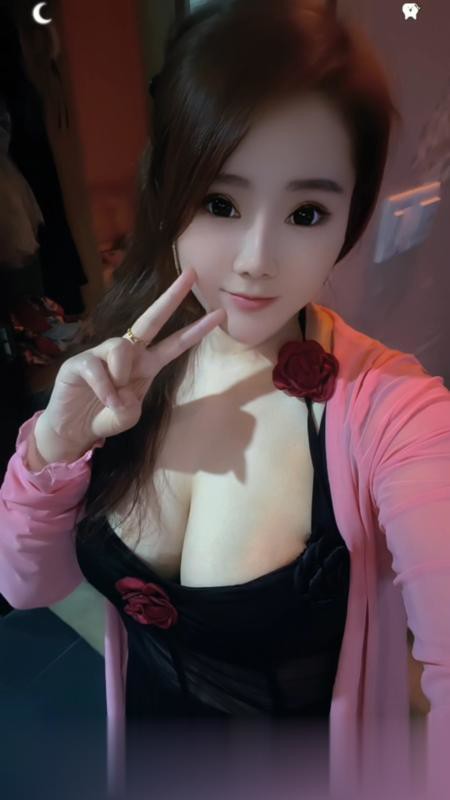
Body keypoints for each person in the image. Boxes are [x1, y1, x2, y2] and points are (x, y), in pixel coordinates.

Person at [0, 1, 449, 798]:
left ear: (348, 219)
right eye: (219, 202)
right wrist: (53, 448)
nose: (254, 260)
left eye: (306, 213)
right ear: (169, 191)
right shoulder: (124, 361)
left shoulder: (394, 411)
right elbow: (24, 585)